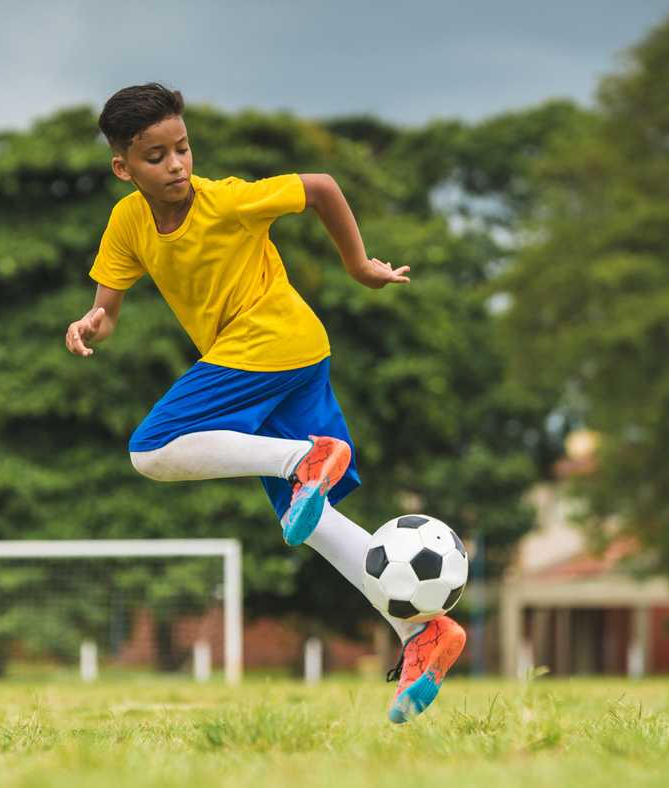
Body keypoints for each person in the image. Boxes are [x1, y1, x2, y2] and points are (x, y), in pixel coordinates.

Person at [65, 82, 465, 723]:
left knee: (150, 448)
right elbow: (107, 307)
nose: (176, 165)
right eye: (157, 155)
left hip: (271, 344)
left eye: (183, 148)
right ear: (124, 167)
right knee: (311, 523)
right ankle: (422, 632)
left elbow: (322, 187)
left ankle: (303, 459)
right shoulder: (128, 223)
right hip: (294, 359)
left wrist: (359, 266)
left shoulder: (226, 201)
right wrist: (90, 325)